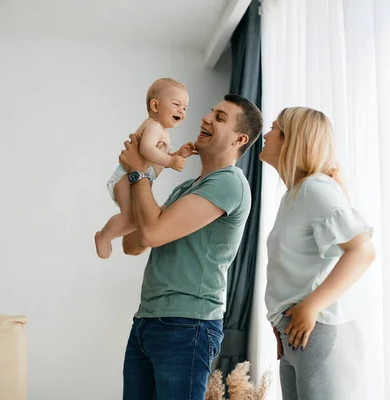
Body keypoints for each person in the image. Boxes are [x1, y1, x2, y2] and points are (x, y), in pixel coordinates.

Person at [117, 94, 263, 400]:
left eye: (220, 117)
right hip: (148, 320)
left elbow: (153, 233)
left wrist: (139, 172)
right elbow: (134, 243)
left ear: (240, 139)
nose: (206, 118)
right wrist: (141, 171)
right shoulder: (187, 187)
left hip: (187, 326)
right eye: (211, 112)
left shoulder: (229, 183)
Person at [259, 106, 376, 399]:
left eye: (273, 128)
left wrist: (310, 307)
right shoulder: (294, 195)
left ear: (290, 140)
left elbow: (363, 250)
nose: (266, 134)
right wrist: (281, 319)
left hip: (317, 331)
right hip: (294, 334)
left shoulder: (316, 189)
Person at [95, 78, 196, 259]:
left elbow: (155, 161)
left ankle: (107, 236)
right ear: (155, 106)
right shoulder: (153, 125)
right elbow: (146, 150)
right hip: (126, 177)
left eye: (185, 108)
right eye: (177, 105)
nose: (182, 111)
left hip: (135, 175)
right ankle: (104, 237)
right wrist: (171, 162)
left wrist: (177, 154)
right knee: (131, 218)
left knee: (136, 220)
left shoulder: (161, 131)